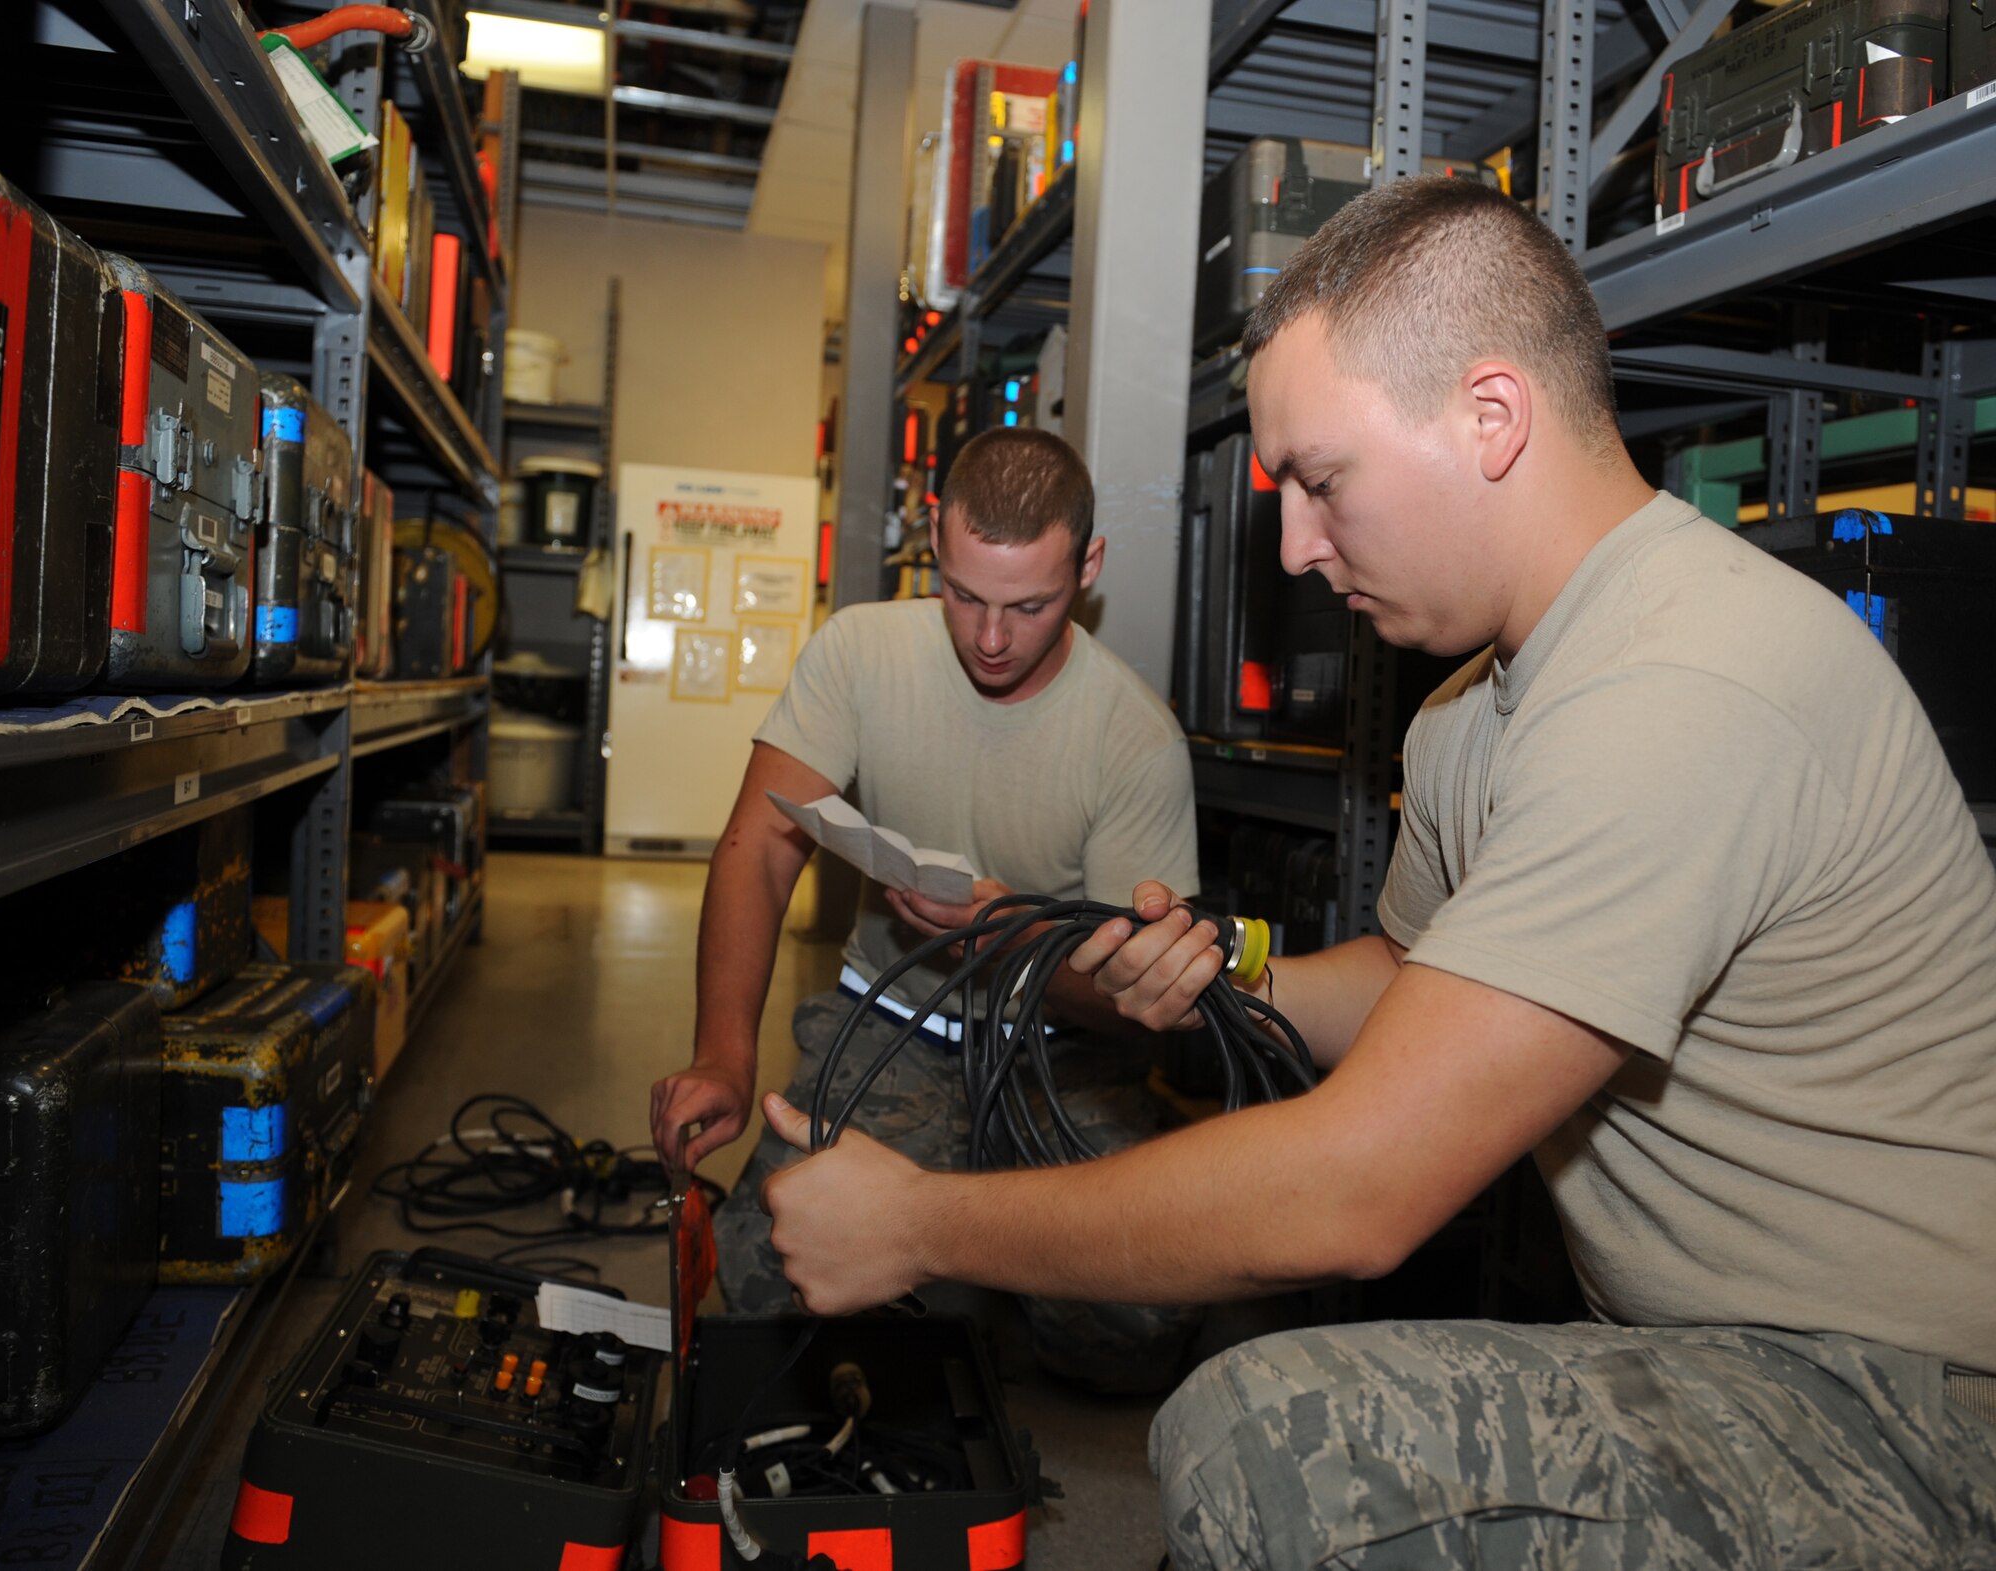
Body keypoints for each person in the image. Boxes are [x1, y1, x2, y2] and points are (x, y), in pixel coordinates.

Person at [751, 176, 1996, 1567]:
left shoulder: (1687, 681)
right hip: (1712, 1350)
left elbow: (1362, 1188)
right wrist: (1224, 967)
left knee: (1275, 1440)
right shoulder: (1474, 708)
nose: (1294, 544)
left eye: (1322, 481)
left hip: (1908, 1401)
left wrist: (920, 1222)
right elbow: (1413, 975)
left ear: (1491, 417)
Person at [650, 425, 1208, 1393]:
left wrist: (1014, 936)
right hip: (892, 1020)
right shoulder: (859, 652)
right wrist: (722, 1054)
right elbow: (757, 851)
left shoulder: (1134, 739)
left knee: (1128, 1333)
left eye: (1028, 604)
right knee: (766, 1284)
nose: (989, 638)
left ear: (1090, 566)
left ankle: (976, 1253)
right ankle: (959, 1256)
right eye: (962, 594)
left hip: (1054, 1051)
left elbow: (1134, 1001)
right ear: (935, 550)